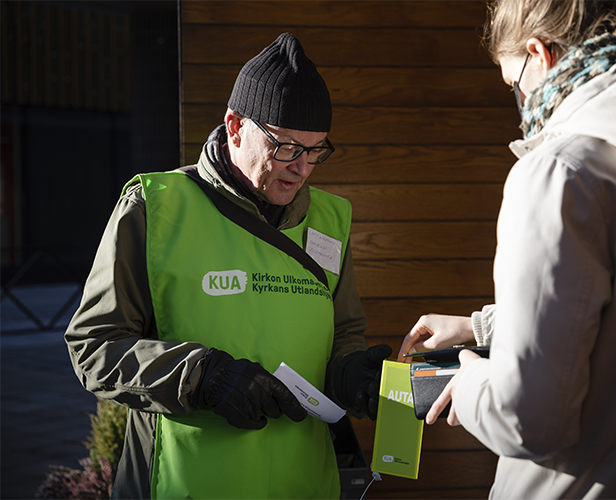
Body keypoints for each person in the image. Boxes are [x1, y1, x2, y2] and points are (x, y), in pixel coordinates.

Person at [399, 1, 616, 498]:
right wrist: (481, 327)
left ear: (540, 54)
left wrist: (474, 379)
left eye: (512, 84)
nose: (518, 102)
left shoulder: (560, 173)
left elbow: (530, 421)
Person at [65, 32, 391, 499]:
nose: (302, 169)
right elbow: (93, 347)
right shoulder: (155, 208)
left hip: (304, 482)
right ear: (235, 126)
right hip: (186, 482)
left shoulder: (330, 220)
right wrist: (203, 375)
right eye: (287, 148)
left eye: (316, 150)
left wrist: (350, 372)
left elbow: (343, 333)